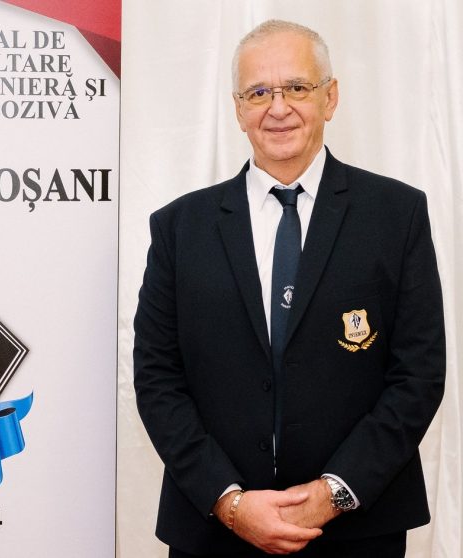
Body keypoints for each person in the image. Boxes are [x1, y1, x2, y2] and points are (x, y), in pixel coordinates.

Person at [133, 19, 445, 558]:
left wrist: (335, 493)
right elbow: (157, 378)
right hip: (214, 532)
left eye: (297, 87)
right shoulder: (179, 228)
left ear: (330, 97)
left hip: (358, 531)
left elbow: (418, 374)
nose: (278, 108)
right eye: (258, 93)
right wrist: (230, 502)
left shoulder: (397, 215)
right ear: (238, 110)